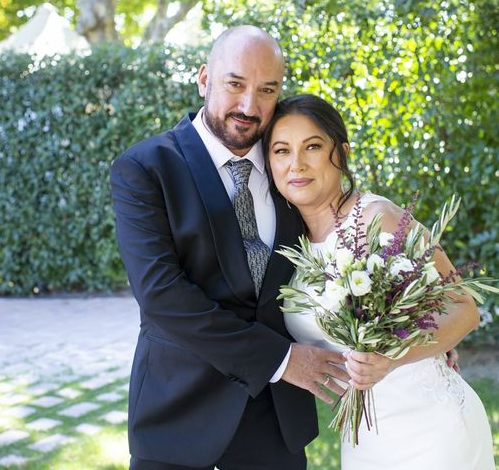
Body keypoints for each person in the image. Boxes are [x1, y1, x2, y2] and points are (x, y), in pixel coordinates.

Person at [110, 27, 350, 470]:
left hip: (276, 420)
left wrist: (409, 326)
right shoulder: (144, 168)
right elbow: (161, 294)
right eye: (235, 84)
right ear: (204, 79)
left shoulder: (288, 162)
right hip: (179, 414)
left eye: (267, 90)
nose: (249, 106)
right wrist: (279, 359)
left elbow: (344, 242)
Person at [263, 94, 496, 470]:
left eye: (313, 147)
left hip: (430, 432)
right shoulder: (288, 241)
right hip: (364, 439)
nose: (297, 164)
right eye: (281, 150)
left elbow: (463, 308)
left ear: (341, 152)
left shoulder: (379, 218)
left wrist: (391, 356)